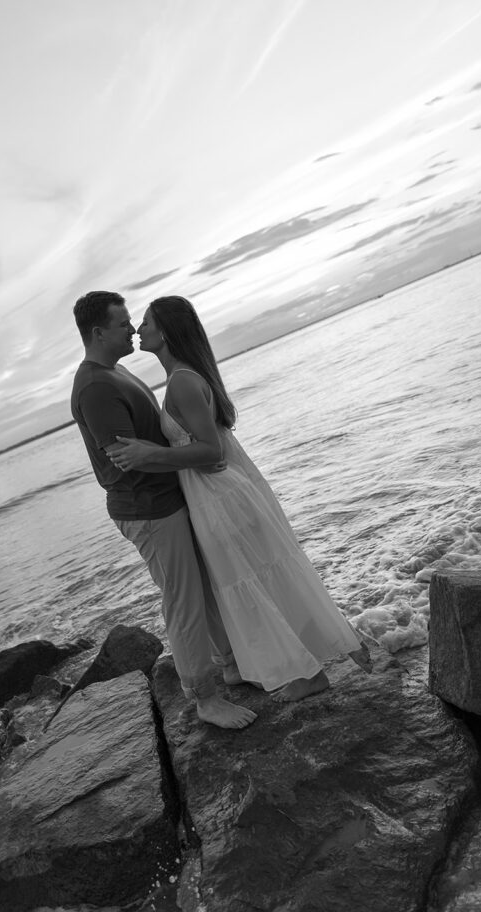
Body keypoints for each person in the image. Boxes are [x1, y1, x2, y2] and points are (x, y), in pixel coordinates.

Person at [108, 295, 372, 700]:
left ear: (166, 332)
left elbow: (211, 450)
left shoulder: (181, 380)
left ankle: (307, 675)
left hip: (218, 500)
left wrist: (150, 454)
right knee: (260, 581)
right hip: (214, 496)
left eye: (145, 323)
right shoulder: (182, 376)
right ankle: (312, 661)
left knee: (246, 584)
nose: (139, 330)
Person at [71, 290, 257, 728]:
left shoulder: (114, 373)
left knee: (205, 588)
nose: (133, 328)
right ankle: (205, 699)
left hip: (167, 500)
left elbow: (148, 447)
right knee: (184, 600)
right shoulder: (97, 385)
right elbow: (128, 460)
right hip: (149, 510)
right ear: (98, 333)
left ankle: (229, 664)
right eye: (123, 324)